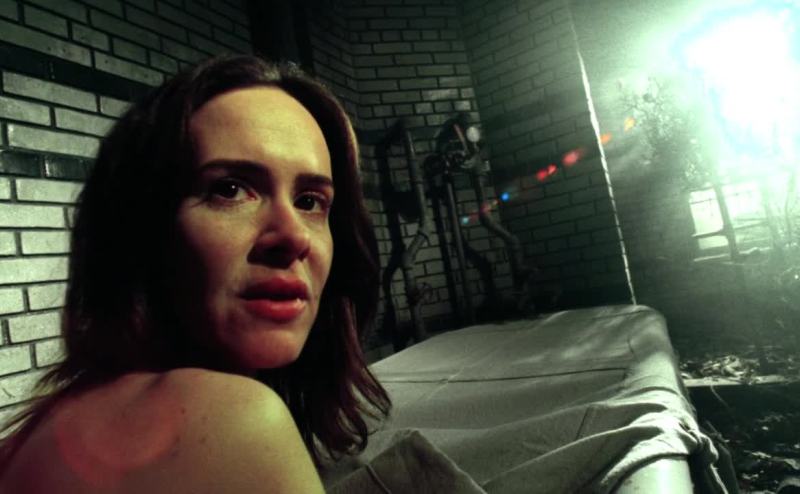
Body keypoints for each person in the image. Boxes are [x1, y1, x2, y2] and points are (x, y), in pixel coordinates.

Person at [0, 54, 391, 493]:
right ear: (140, 228)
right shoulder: (235, 419)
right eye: (229, 189)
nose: (293, 235)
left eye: (310, 201)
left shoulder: (48, 424)